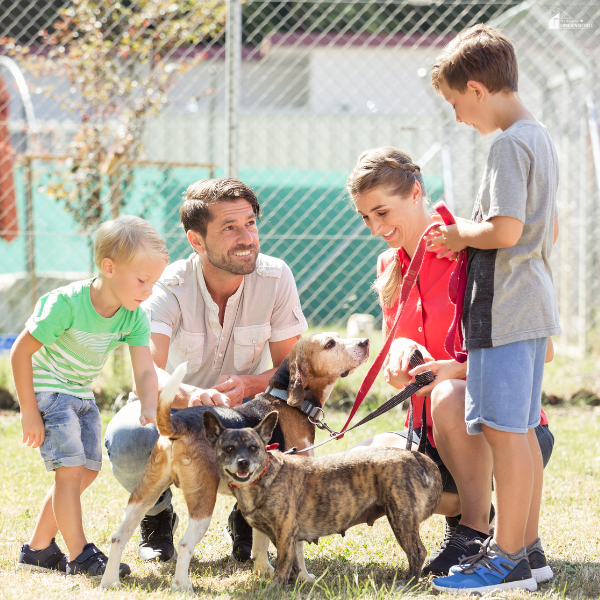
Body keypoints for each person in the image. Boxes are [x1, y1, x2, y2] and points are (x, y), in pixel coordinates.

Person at [347, 145, 555, 581]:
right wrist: (401, 363)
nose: (375, 228)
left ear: (416, 192)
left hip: (505, 432)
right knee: (365, 463)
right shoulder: (390, 262)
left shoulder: (472, 250)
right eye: (366, 217)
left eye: (382, 212)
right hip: (428, 435)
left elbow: (540, 353)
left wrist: (451, 371)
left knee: (447, 394)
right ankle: (473, 511)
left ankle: (474, 530)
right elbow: (404, 344)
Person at [422, 24, 561, 594]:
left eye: (456, 103)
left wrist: (457, 236)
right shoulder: (540, 135)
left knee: (505, 433)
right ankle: (526, 554)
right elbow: (543, 227)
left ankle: (504, 559)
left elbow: (505, 229)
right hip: (530, 303)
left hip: (505, 310)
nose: (458, 116)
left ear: (477, 89)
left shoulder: (506, 143)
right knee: (519, 431)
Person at [104, 178, 308, 564]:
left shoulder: (276, 276)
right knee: (130, 438)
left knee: (291, 424)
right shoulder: (167, 284)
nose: (246, 237)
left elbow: (292, 368)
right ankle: (157, 516)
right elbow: (148, 370)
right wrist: (194, 396)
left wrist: (250, 383)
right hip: (178, 408)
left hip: (247, 414)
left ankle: (250, 515)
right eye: (229, 228)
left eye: (250, 223)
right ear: (196, 241)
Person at [12, 216, 169, 577]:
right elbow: (20, 352)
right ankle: (80, 554)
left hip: (80, 394)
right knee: (69, 472)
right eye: (142, 280)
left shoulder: (133, 316)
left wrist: (148, 404)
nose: (147, 290)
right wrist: (29, 412)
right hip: (48, 391)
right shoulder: (65, 304)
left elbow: (145, 369)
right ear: (108, 267)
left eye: (153, 283)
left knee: (86, 471)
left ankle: (37, 549)